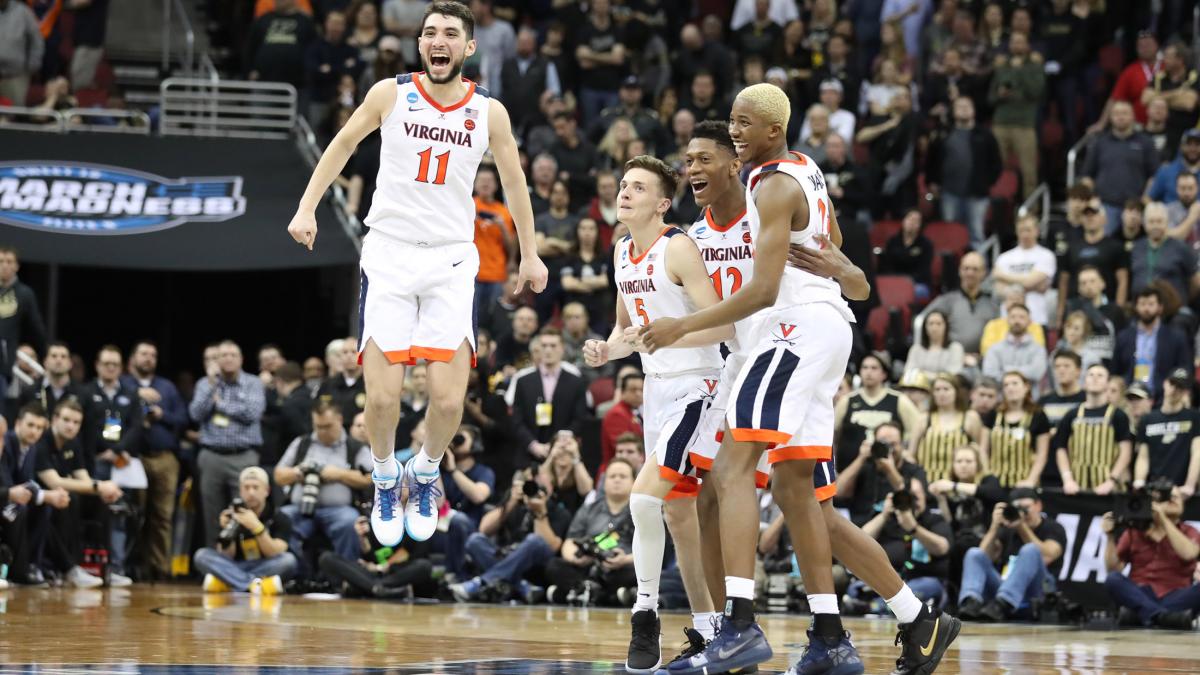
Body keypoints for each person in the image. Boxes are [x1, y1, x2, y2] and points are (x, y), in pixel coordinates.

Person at [641, 84, 955, 675]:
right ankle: (878, 627)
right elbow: (842, 266)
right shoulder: (788, 179)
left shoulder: (771, 188)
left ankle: (736, 625)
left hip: (791, 335)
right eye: (699, 155)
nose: (729, 139)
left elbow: (775, 289)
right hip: (800, 337)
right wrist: (848, 272)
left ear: (765, 138)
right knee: (799, 496)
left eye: (739, 128)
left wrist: (679, 328)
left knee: (729, 472)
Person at [286, 0, 549, 547]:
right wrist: (307, 206)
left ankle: (426, 471)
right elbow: (342, 144)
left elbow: (516, 183)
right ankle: (385, 475)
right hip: (389, 252)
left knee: (448, 401)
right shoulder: (391, 93)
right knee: (381, 400)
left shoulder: (490, 112)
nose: (438, 40)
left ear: (468, 47)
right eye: (430, 32)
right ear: (421, 43)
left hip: (452, 258)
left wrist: (530, 252)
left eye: (451, 33)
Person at [579, 155, 730, 673]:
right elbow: (627, 332)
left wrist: (675, 329)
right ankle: (711, 630)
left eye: (637, 187)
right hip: (657, 391)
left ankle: (645, 615)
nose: (624, 193)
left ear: (662, 203)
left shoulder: (678, 247)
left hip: (699, 387)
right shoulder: (622, 251)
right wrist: (607, 349)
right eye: (622, 185)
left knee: (644, 500)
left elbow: (722, 326)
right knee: (676, 515)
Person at [33, 400, 126, 587]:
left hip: (61, 497)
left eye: (76, 423)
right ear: (54, 419)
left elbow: (84, 478)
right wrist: (99, 486)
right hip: (40, 498)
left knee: (100, 501)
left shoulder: (73, 443)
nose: (71, 426)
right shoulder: (41, 441)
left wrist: (102, 489)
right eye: (67, 420)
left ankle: (105, 568)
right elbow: (54, 482)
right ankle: (71, 568)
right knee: (71, 498)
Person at [448, 464, 572, 603]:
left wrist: (540, 513)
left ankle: (481, 583)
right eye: (529, 481)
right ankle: (521, 586)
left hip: (536, 566)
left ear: (551, 486)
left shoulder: (559, 512)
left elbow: (552, 547)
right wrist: (511, 501)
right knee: (475, 541)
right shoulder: (516, 505)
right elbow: (484, 528)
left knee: (534, 541)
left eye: (540, 481)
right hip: (508, 557)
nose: (533, 485)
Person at [188, 341, 267, 547]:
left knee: (245, 510)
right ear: (217, 360)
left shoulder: (253, 383)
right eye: (223, 355)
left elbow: (252, 413)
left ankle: (245, 563)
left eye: (233, 354)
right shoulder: (205, 384)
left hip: (244, 455)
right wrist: (212, 385)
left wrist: (221, 405)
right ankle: (214, 564)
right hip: (212, 456)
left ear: (241, 359)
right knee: (212, 512)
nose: (228, 359)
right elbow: (196, 413)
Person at [273, 400, 373, 562]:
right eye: (318, 426)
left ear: (339, 420)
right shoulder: (302, 443)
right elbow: (278, 475)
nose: (322, 431)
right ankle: (296, 575)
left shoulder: (354, 447)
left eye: (327, 426)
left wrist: (339, 474)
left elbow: (370, 478)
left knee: (349, 522)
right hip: (300, 508)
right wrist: (298, 473)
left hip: (339, 510)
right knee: (283, 518)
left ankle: (347, 574)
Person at [120, 341, 185, 581]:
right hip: (133, 458)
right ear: (132, 359)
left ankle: (159, 568)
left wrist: (162, 414)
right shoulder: (125, 384)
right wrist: (137, 395)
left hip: (164, 458)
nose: (149, 358)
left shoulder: (166, 387)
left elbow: (183, 417)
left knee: (162, 516)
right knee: (134, 514)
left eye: (153, 355)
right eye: (144, 354)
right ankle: (131, 566)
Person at [957, 487, 1067, 622]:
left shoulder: (1053, 527)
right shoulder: (1008, 529)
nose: (1022, 513)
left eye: (1026, 507)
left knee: (1030, 550)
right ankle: (971, 602)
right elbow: (983, 556)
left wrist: (1022, 526)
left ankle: (1004, 602)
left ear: (1038, 505)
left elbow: (1048, 555)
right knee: (974, 553)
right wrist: (994, 527)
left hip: (1038, 589)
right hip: (1003, 590)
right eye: (1017, 508)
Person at [1102, 486, 1200, 629]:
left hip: (1176, 595)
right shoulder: (1134, 531)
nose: (1172, 500)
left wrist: (1163, 519)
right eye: (1167, 497)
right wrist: (1110, 536)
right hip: (1141, 592)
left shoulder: (1189, 531)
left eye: (1176, 497)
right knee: (1113, 579)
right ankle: (1163, 617)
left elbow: (1189, 554)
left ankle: (1142, 614)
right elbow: (1112, 568)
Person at [542, 456, 636, 604]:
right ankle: (602, 594)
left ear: (633, 482)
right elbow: (570, 541)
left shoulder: (640, 512)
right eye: (612, 476)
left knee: (638, 573)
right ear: (604, 481)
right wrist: (575, 558)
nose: (617, 480)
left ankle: (579, 592)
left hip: (620, 567)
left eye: (623, 476)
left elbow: (652, 549)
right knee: (554, 565)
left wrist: (625, 560)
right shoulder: (589, 509)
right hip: (587, 566)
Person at [193, 466, 298, 595]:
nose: (251, 493)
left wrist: (256, 527)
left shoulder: (279, 517)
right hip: (236, 565)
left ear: (267, 491)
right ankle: (254, 585)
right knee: (202, 555)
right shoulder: (234, 515)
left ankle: (230, 583)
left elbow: (274, 553)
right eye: (246, 488)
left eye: (255, 487)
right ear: (240, 492)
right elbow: (226, 555)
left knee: (288, 560)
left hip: (265, 565)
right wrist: (227, 530)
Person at [859, 476, 953, 607]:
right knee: (856, 588)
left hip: (923, 580)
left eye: (916, 497)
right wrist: (884, 515)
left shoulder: (934, 519)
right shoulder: (890, 518)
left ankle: (873, 605)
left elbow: (942, 547)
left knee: (926, 587)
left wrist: (914, 528)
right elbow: (859, 541)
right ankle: (875, 605)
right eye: (907, 497)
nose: (912, 502)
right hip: (888, 580)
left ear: (924, 496)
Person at [926, 96, 1001, 248]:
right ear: (953, 111)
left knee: (976, 235)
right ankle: (952, 270)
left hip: (977, 195)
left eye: (967, 106)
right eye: (960, 106)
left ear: (974, 110)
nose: (964, 109)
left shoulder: (985, 135)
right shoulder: (943, 134)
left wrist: (986, 183)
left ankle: (979, 269)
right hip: (949, 193)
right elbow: (931, 161)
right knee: (951, 235)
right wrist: (932, 182)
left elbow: (996, 164)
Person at [511, 328, 590, 466]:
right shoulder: (523, 381)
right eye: (544, 346)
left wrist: (560, 444)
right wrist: (533, 445)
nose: (548, 350)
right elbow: (517, 420)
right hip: (528, 456)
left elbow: (580, 418)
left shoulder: (576, 382)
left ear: (562, 348)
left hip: (564, 456)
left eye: (553, 346)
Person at [1080, 101, 1161, 235]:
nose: (1120, 117)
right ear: (1111, 117)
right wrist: (1091, 200)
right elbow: (1087, 176)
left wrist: (1145, 199)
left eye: (1125, 113)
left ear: (1133, 116)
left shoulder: (1145, 142)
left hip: (1135, 207)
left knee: (1137, 248)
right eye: (1116, 113)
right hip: (1106, 206)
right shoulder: (1100, 142)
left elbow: (1155, 176)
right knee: (1105, 246)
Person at [834, 352, 922, 472]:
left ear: (884, 374)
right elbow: (832, 432)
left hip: (886, 469)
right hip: (850, 468)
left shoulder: (898, 400)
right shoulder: (847, 400)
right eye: (864, 367)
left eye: (874, 368)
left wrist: (909, 452)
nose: (868, 372)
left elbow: (918, 427)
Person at [1056, 364, 1134, 495]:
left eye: (1100, 375)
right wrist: (1067, 479)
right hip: (1077, 486)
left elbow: (1125, 452)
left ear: (1107, 384)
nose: (1095, 378)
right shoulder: (1072, 415)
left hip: (1108, 488)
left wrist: (1111, 481)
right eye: (1091, 375)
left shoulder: (1118, 415)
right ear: (1084, 382)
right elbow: (1060, 448)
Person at [1057, 196, 1130, 326]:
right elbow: (1063, 282)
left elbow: (1123, 280)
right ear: (1081, 219)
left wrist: (1118, 310)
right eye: (1086, 215)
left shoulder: (1116, 247)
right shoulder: (1071, 247)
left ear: (1104, 219)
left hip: (1106, 307)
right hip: (1076, 309)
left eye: (1094, 214)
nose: (1090, 218)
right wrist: (1060, 312)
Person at [989, 31, 1045, 198]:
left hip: (1025, 125)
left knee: (1029, 173)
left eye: (1021, 42)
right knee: (996, 171)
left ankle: (1031, 213)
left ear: (1027, 45)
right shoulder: (1002, 66)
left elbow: (1036, 92)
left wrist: (1020, 70)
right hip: (1000, 123)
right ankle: (998, 210)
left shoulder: (1035, 66)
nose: (1017, 45)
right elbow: (990, 98)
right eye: (1014, 42)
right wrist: (999, 94)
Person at [1113, 287, 1193, 400]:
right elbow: (1116, 370)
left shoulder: (1175, 337)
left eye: (1151, 304)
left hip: (1163, 396)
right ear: (1135, 306)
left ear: (1160, 307)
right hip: (1130, 396)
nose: (1146, 308)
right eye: (1142, 304)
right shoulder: (1124, 337)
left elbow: (1184, 368)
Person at [1134, 368, 1200, 492]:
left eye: (1180, 387)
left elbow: (1197, 452)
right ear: (1165, 383)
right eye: (1172, 384)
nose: (1174, 389)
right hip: (1153, 488)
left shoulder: (1194, 417)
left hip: (1181, 489)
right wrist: (1139, 482)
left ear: (1186, 392)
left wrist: (1190, 485)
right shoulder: (1148, 419)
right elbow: (1143, 456)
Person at [909, 374, 985, 482]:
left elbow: (979, 452)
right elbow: (912, 454)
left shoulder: (970, 417)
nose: (941, 393)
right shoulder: (923, 418)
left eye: (946, 389)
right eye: (937, 389)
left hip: (960, 483)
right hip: (927, 481)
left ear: (956, 392)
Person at [982, 372, 1051, 488]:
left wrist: (1031, 481)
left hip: (1024, 482)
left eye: (1015, 383)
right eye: (1006, 385)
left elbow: (1042, 454)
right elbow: (983, 450)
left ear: (1026, 387)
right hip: (995, 482)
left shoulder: (1038, 415)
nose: (1010, 388)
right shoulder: (993, 414)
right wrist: (987, 475)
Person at [922, 252, 1000, 355]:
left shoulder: (992, 306)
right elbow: (924, 322)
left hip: (982, 361)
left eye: (975, 269)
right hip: (949, 358)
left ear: (984, 273)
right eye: (966, 268)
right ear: (959, 271)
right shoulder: (945, 301)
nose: (970, 273)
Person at [993, 216, 1057, 327]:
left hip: (1037, 319)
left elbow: (1029, 282)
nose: (1025, 234)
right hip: (1007, 320)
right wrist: (1032, 286)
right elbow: (998, 289)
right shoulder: (1004, 257)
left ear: (1037, 231)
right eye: (1021, 230)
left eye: (1028, 230)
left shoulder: (1046, 255)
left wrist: (1004, 277)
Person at [1132, 203, 1199, 305]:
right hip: (1141, 309)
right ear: (1144, 224)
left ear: (1167, 222)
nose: (1155, 226)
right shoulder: (1137, 247)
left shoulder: (1181, 248)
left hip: (1173, 310)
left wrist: (1181, 300)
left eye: (1159, 221)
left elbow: (1196, 282)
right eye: (1151, 221)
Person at [0, 247, 47, 391]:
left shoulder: (24, 293)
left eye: (9, 261)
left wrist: (45, 353)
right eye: (1, 261)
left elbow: (36, 327)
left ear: (17, 266)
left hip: (4, 365)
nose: (5, 265)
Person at [981, 304, 1048, 397]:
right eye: (1013, 317)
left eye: (1022, 317)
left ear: (1029, 321)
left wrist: (1006, 369)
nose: (1017, 321)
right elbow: (989, 373)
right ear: (1007, 320)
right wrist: (1023, 374)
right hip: (1001, 401)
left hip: (1030, 400)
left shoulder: (1038, 349)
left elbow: (1036, 373)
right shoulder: (994, 349)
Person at [878, 209, 934, 299]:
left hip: (917, 283)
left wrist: (906, 282)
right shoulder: (892, 242)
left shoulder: (925, 244)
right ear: (903, 221)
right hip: (894, 281)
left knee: (917, 291)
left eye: (916, 220)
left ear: (921, 225)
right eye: (909, 219)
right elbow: (887, 266)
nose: (912, 222)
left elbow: (923, 271)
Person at [317, 339, 365, 431]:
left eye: (353, 352)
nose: (349, 356)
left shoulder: (370, 385)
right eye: (344, 352)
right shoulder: (327, 385)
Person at [600, 372, 643, 469]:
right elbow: (624, 448)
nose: (638, 393)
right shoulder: (617, 414)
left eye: (641, 389)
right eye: (633, 390)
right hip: (617, 472)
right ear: (622, 392)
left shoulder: (634, 412)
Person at [905, 311, 964, 378]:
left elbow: (953, 374)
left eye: (938, 324)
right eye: (931, 324)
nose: (934, 328)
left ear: (946, 327)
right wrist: (938, 376)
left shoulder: (955, 348)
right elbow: (909, 372)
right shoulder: (916, 349)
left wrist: (922, 373)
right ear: (925, 327)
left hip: (943, 387)